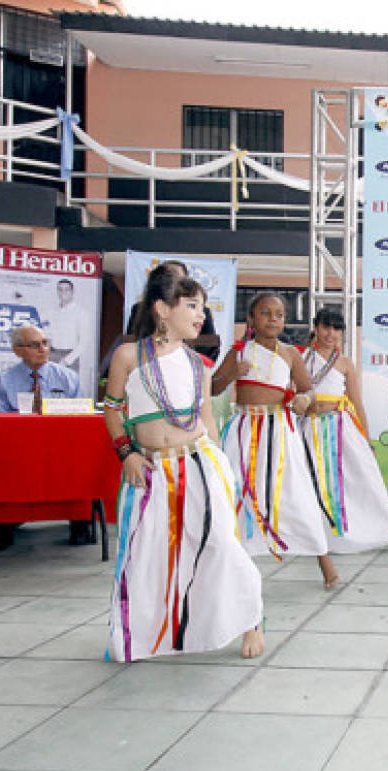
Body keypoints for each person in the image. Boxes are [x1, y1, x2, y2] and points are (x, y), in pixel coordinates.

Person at [101, 262, 263, 661]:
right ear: (162, 309)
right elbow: (112, 409)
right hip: (152, 471)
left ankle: (250, 620)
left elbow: (206, 419)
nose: (200, 315)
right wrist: (128, 453)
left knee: (221, 543)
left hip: (199, 465)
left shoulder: (198, 364)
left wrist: (223, 471)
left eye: (202, 307)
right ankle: (145, 634)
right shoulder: (127, 356)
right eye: (191, 306)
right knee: (148, 553)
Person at [212, 293, 335, 585]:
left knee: (296, 492)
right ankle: (229, 563)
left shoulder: (291, 353)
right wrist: (232, 374)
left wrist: (304, 399)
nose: (272, 319)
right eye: (265, 313)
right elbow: (214, 388)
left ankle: (325, 562)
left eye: (278, 314)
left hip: (280, 432)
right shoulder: (238, 352)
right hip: (244, 432)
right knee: (236, 492)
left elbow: (308, 391)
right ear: (251, 319)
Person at [299, 307, 388, 559]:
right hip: (310, 428)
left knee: (366, 479)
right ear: (316, 327)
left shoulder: (344, 363)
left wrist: (366, 439)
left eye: (337, 328)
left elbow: (356, 401)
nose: (331, 333)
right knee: (315, 485)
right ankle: (323, 538)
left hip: (342, 428)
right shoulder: (300, 358)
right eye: (326, 327)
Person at [0, 323, 91, 554]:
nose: (43, 349)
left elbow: (81, 417)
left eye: (45, 343)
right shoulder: (2, 382)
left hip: (61, 448)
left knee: (82, 460)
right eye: (35, 345)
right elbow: (0, 426)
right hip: (19, 450)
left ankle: (81, 522)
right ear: (18, 350)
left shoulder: (68, 378)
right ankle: (2, 526)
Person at [46, 278, 90, 370]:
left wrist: (67, 360)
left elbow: (83, 342)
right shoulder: (52, 312)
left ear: (72, 292)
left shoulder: (81, 313)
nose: (63, 292)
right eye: (60, 289)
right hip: (52, 355)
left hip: (69, 357)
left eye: (67, 289)